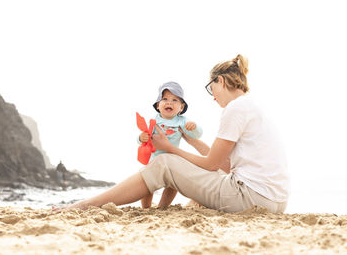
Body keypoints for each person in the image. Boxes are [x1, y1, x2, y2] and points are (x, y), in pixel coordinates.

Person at [54, 54, 289, 213]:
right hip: (275, 202)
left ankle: (85, 205)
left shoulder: (234, 109)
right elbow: (224, 165)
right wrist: (191, 141)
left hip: (250, 198)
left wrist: (170, 148)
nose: (213, 95)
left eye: (211, 88)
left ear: (220, 81)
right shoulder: (251, 106)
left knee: (165, 163)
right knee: (189, 166)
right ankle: (185, 205)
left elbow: (210, 165)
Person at [138, 81, 202, 208]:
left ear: (181, 107)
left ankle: (162, 206)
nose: (169, 102)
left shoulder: (182, 121)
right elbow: (143, 136)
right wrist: (141, 138)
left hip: (172, 161)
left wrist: (193, 127)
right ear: (158, 105)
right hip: (154, 160)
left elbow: (197, 135)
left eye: (174, 100)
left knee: (173, 186)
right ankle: (146, 207)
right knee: (146, 186)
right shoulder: (154, 120)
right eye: (165, 99)